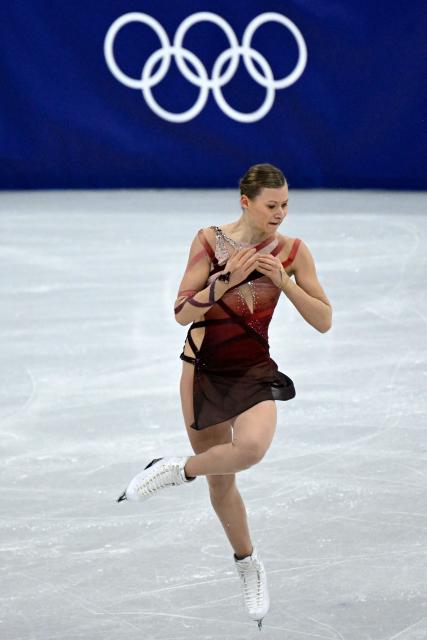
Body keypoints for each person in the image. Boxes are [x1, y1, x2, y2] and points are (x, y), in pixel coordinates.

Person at [117, 163, 332, 629]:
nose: (281, 214)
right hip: (203, 369)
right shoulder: (210, 242)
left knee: (250, 450)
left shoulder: (293, 252)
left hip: (253, 370)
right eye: (272, 205)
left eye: (286, 205)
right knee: (222, 480)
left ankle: (176, 471)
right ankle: (247, 561)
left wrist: (284, 282)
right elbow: (180, 312)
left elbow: (323, 320)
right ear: (246, 202)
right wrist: (225, 280)